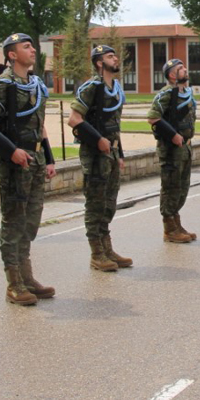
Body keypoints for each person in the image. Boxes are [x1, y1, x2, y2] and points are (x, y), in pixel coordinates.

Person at [0, 33, 57, 306]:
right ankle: (14, 283)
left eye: (32, 45)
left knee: (31, 221)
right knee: (13, 222)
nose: (33, 50)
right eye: (26, 46)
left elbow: (40, 125)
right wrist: (12, 151)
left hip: (35, 159)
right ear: (11, 54)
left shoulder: (34, 84)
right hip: (15, 162)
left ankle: (27, 276)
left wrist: (49, 158)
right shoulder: (2, 86)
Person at [68, 44, 131, 272]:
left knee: (109, 204)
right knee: (95, 204)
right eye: (110, 56)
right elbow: (74, 119)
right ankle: (97, 253)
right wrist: (98, 140)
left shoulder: (115, 88)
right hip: (95, 154)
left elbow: (114, 125)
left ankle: (107, 248)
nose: (116, 59)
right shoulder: (91, 88)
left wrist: (120, 153)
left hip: (111, 153)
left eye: (115, 55)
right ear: (99, 62)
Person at [147, 58, 197, 243]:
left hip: (185, 146)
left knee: (182, 186)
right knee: (171, 186)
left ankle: (176, 222)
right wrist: (173, 135)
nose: (184, 70)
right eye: (180, 68)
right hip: (171, 148)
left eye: (184, 67)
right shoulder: (167, 93)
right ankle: (169, 228)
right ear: (171, 75)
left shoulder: (185, 92)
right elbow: (153, 118)